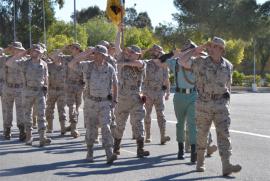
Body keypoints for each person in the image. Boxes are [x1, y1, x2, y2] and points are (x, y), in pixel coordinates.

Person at [176, 37, 241, 176]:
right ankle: (200, 162)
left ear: (221, 49)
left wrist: (227, 103)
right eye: (209, 45)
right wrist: (194, 50)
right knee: (202, 134)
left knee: (224, 134)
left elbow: (228, 86)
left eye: (214, 46)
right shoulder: (200, 62)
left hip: (221, 105)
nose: (210, 48)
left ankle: (226, 165)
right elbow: (181, 61)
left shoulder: (228, 65)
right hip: (203, 104)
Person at [69, 45, 117, 164]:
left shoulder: (110, 68)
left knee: (106, 127)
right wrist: (86, 52)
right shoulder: (87, 66)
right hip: (91, 102)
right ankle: (90, 152)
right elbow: (72, 64)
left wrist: (114, 100)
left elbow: (115, 84)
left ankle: (109, 153)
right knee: (91, 128)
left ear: (105, 56)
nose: (98, 57)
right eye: (96, 54)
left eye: (101, 54)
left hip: (105, 102)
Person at [113, 24, 150, 158]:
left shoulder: (141, 64)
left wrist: (125, 64)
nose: (129, 54)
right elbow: (117, 47)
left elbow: (139, 65)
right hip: (122, 97)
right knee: (120, 124)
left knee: (138, 124)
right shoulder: (122, 59)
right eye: (128, 52)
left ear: (138, 54)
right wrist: (119, 32)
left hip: (135, 98)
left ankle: (140, 149)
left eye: (132, 52)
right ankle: (116, 148)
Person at [6, 44, 51, 146]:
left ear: (40, 53)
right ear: (30, 52)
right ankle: (29, 136)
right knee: (27, 115)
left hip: (40, 92)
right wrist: (22, 53)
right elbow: (9, 63)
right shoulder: (24, 63)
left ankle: (42, 137)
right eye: (34, 51)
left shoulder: (44, 64)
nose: (36, 53)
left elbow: (46, 78)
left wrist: (46, 91)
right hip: (27, 92)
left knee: (41, 115)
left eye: (38, 51)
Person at [165, 40, 198, 163]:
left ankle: (194, 151)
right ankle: (181, 149)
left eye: (190, 50)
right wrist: (177, 53)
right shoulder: (176, 63)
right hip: (179, 95)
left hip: (193, 95)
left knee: (192, 124)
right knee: (180, 123)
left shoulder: (198, 63)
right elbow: (167, 60)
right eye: (186, 50)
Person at [143, 44, 171, 145]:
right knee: (147, 114)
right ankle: (148, 136)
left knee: (161, 115)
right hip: (148, 92)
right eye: (154, 51)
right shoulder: (147, 64)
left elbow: (166, 79)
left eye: (158, 51)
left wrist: (167, 92)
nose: (156, 53)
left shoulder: (164, 65)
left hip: (159, 93)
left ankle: (163, 136)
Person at [2, 42, 26, 141]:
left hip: (20, 88)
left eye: (17, 49)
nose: (14, 50)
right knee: (7, 110)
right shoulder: (5, 59)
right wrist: (5, 50)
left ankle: (22, 130)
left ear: (20, 50)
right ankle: (7, 129)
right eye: (13, 49)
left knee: (21, 110)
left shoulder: (24, 61)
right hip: (8, 88)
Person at [62, 43, 84, 138]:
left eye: (74, 48)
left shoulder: (84, 59)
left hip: (80, 85)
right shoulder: (67, 58)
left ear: (78, 49)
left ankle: (72, 125)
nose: (71, 49)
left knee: (77, 107)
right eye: (71, 48)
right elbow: (52, 56)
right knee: (72, 106)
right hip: (70, 85)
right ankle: (74, 128)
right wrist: (63, 48)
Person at [45, 50, 67, 135]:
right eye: (57, 56)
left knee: (62, 109)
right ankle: (50, 127)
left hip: (62, 91)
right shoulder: (49, 66)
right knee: (50, 109)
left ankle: (63, 127)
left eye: (60, 57)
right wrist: (60, 49)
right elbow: (51, 55)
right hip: (51, 90)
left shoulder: (65, 67)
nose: (59, 58)